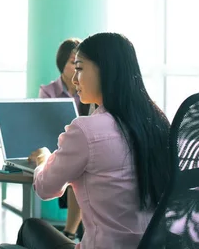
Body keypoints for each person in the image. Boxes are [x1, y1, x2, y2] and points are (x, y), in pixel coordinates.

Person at [14, 33, 171, 249]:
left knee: (30, 227)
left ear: (105, 70)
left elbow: (45, 188)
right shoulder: (157, 124)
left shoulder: (87, 130)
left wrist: (45, 160)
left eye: (79, 68)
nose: (75, 79)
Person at [38, 38, 95, 240]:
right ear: (62, 63)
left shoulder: (92, 93)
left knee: (80, 172)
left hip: (82, 149)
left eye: (81, 65)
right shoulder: (48, 91)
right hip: (59, 145)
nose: (77, 71)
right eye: (74, 63)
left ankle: (70, 233)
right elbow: (44, 125)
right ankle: (71, 233)